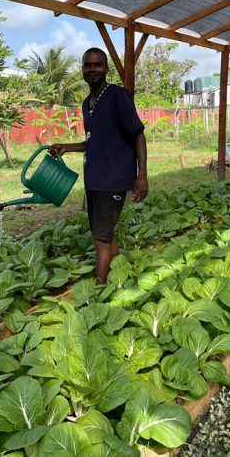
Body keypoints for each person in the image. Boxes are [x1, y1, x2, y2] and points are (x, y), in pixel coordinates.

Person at [50, 47, 148, 284]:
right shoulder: (87, 104)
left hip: (112, 180)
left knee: (100, 240)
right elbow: (94, 143)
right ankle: (118, 278)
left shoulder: (117, 95)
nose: (92, 69)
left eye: (97, 65)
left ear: (106, 68)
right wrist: (67, 147)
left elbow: (138, 134)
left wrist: (142, 174)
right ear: (82, 69)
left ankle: (98, 292)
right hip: (94, 180)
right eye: (87, 65)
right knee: (106, 234)